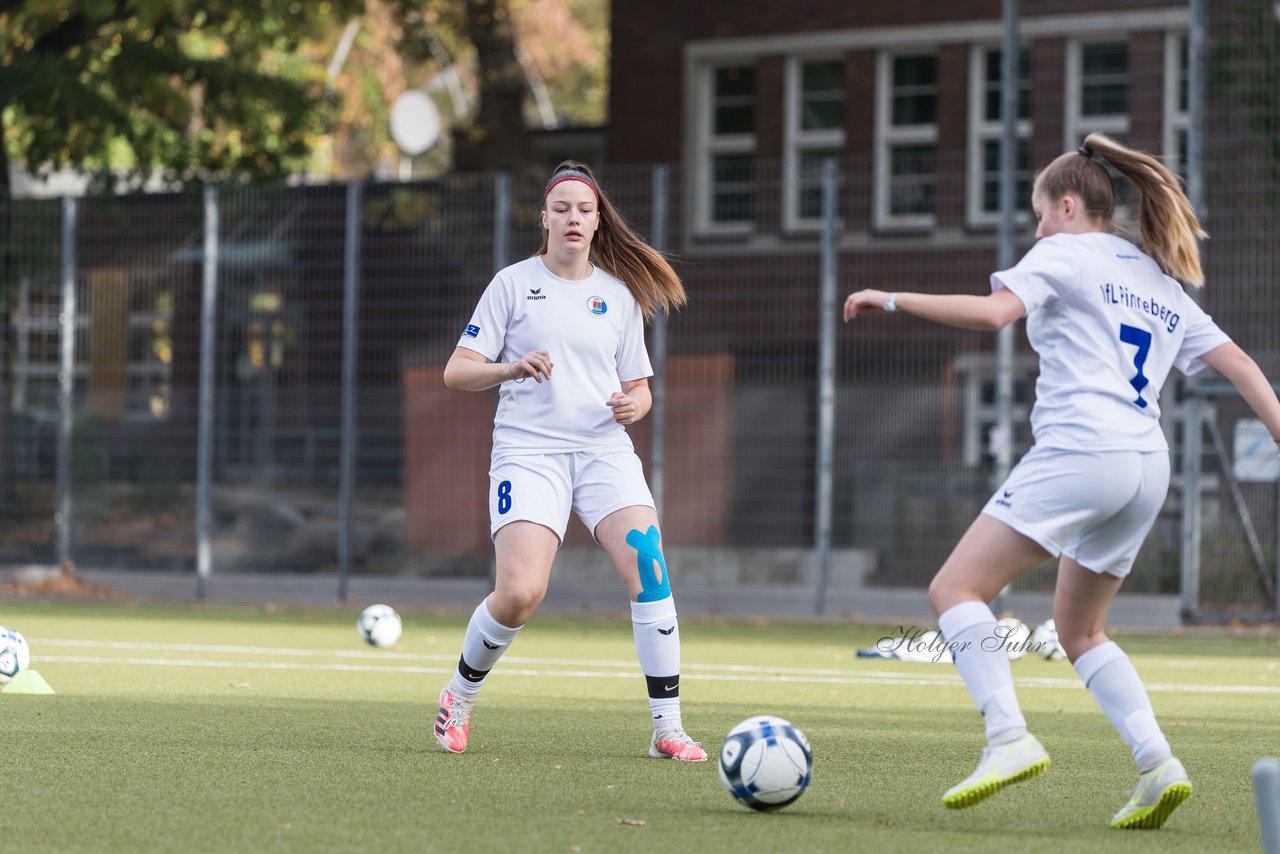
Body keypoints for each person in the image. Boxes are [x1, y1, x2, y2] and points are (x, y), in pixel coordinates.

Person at [843, 132, 1280, 829]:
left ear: (1070, 206)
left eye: (1039, 213)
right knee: (1082, 630)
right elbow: (1244, 368)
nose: (1036, 227)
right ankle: (1157, 763)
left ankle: (1008, 738)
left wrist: (889, 297)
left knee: (955, 590)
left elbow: (992, 315)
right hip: (1146, 467)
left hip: (1084, 450)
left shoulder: (1064, 251)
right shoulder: (1159, 280)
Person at [435, 160, 705, 762]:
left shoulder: (619, 295)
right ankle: (459, 695)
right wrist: (511, 366)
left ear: (597, 219)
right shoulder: (512, 284)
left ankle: (669, 728)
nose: (574, 218)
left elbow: (640, 386)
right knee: (521, 593)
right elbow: (456, 372)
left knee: (651, 569)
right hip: (529, 455)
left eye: (585, 209)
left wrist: (633, 405)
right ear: (545, 219)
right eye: (563, 209)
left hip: (603, 452)